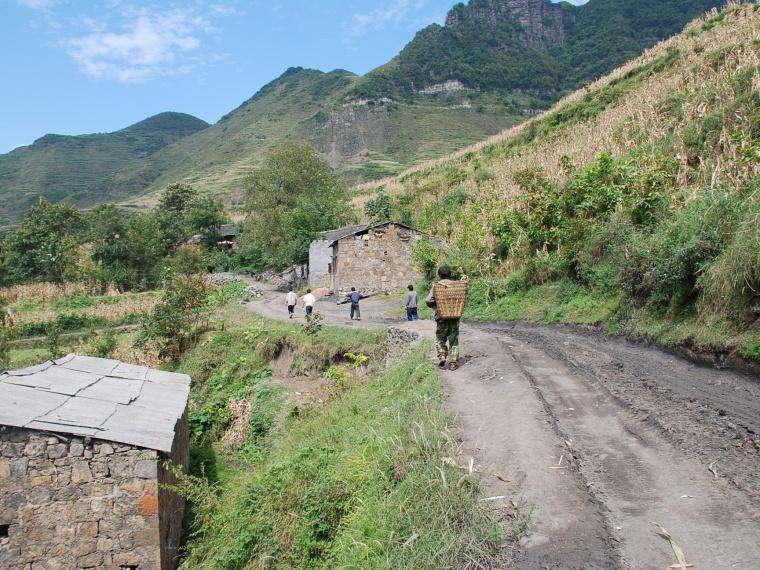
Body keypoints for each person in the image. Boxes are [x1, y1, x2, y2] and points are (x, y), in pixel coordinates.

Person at [426, 266, 461, 370]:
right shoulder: (457, 285)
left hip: (441, 317)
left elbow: (428, 300)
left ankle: (442, 356)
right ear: (450, 274)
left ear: (440, 275)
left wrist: (436, 305)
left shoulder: (437, 286)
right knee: (453, 340)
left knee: (440, 338)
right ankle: (453, 363)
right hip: (454, 316)